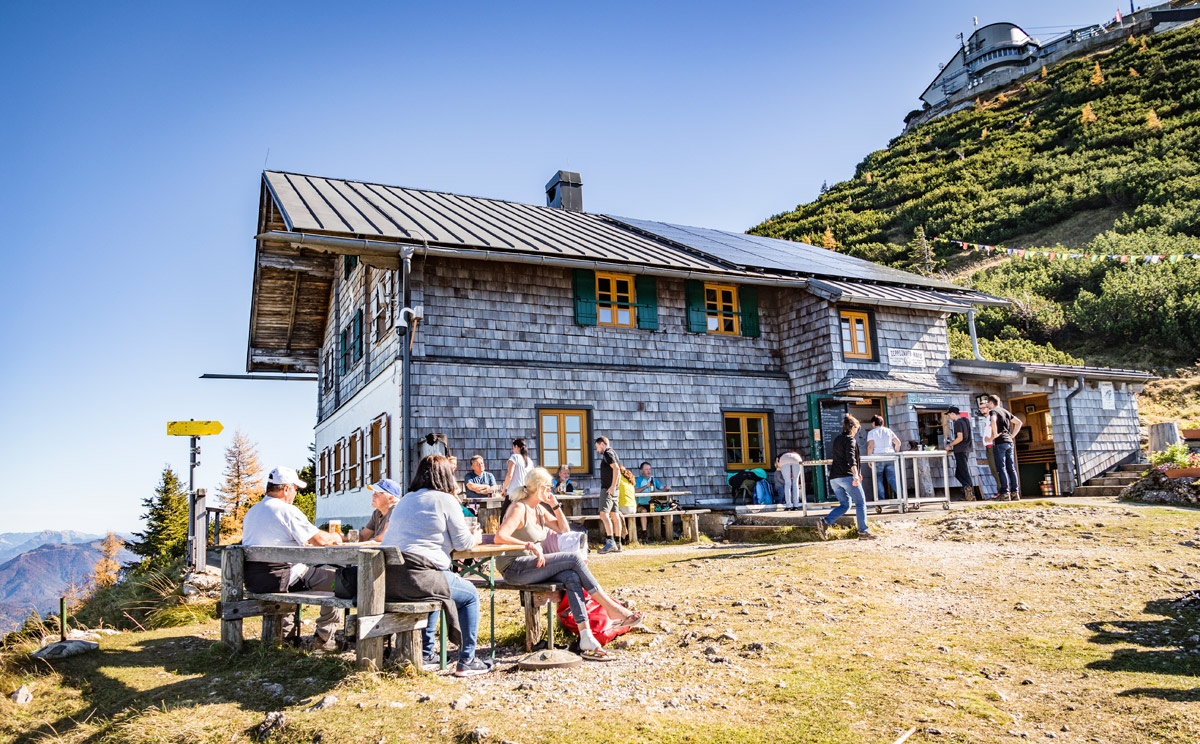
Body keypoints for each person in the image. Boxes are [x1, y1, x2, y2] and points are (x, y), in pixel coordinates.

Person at [493, 467, 643, 661]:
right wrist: (529, 544)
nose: (551, 490)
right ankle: (612, 608)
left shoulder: (538, 509)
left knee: (571, 577)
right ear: (539, 488)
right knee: (573, 559)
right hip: (514, 567)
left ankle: (586, 636)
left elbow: (563, 529)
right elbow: (500, 537)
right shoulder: (519, 508)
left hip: (532, 565)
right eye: (548, 487)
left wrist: (555, 505)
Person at [380, 455, 491, 677]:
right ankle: (467, 659)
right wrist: (476, 536)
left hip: (391, 579)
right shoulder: (445, 500)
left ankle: (428, 653)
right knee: (469, 594)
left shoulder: (404, 500)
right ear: (445, 476)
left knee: (437, 589)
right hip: (422, 576)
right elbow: (463, 544)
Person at [241, 466, 344, 651]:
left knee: (306, 575)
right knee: (339, 583)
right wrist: (336, 537)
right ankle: (323, 639)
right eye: (295, 489)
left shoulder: (252, 512)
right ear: (286, 488)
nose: (296, 493)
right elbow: (320, 540)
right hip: (282, 577)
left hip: (255, 580)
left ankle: (285, 639)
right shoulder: (286, 510)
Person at [815, 416, 876, 541]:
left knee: (845, 504)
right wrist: (855, 474)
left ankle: (825, 522)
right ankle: (863, 531)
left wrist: (857, 472)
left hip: (834, 478)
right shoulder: (850, 440)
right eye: (858, 428)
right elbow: (850, 459)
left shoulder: (837, 439)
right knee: (860, 502)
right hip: (846, 476)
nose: (858, 431)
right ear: (853, 427)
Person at [985, 394, 1023, 501]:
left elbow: (993, 421)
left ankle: (1005, 493)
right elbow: (1019, 422)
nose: (987, 405)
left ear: (991, 403)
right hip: (1009, 441)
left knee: (1001, 468)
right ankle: (1015, 493)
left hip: (1000, 442)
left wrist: (995, 434)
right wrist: (1013, 435)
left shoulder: (993, 411)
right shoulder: (1005, 411)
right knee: (1011, 467)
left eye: (988, 403)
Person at [594, 436, 623, 554]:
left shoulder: (607, 453)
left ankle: (610, 542)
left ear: (602, 444)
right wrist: (616, 487)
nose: (597, 450)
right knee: (614, 515)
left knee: (603, 515)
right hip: (614, 490)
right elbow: (619, 470)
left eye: (597, 447)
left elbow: (616, 469)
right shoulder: (614, 453)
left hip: (608, 489)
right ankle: (618, 542)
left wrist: (612, 486)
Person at [865, 415, 901, 502]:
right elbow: (898, 443)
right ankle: (901, 496)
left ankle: (881, 500)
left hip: (877, 457)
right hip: (890, 456)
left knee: (878, 479)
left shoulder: (872, 432)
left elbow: (870, 446)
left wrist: (869, 458)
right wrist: (895, 452)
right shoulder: (888, 431)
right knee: (892, 478)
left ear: (873, 423)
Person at [945, 407, 977, 501]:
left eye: (949, 415)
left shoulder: (958, 423)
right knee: (959, 473)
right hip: (966, 448)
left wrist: (949, 445)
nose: (949, 417)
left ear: (953, 413)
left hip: (960, 449)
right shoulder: (965, 421)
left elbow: (960, 438)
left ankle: (969, 490)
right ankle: (967, 488)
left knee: (963, 471)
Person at [617, 465, 637, 543]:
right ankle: (628, 537)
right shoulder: (629, 479)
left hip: (624, 507)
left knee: (611, 514)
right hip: (633, 507)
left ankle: (619, 537)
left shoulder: (618, 480)